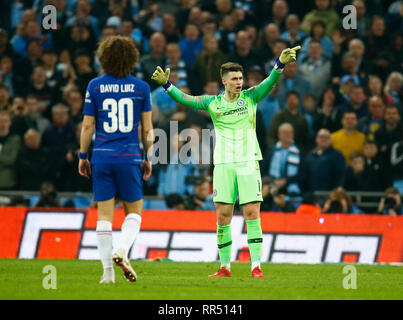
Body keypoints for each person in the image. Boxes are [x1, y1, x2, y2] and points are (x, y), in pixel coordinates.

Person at [152, 45, 301, 278]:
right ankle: (224, 267)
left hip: (248, 162)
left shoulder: (251, 97)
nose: (239, 82)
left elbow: (269, 82)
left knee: (252, 213)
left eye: (241, 78)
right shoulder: (212, 102)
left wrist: (279, 65)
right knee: (223, 216)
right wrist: (167, 85)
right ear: (224, 81)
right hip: (223, 164)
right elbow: (187, 99)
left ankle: (256, 267)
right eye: (234, 79)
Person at [78, 36, 153, 284]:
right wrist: (149, 157)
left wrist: (82, 155)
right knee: (135, 212)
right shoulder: (141, 88)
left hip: (101, 157)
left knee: (104, 217)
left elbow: (88, 125)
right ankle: (122, 250)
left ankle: (107, 274)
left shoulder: (95, 86)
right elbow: (148, 129)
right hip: (129, 157)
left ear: (104, 58)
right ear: (132, 59)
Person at [299, 129, 345, 193]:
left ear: (331, 140)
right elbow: (303, 175)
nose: (323, 139)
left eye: (326, 137)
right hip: (311, 196)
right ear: (316, 139)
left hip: (330, 195)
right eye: (321, 137)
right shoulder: (309, 155)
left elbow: (340, 177)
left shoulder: (338, 156)